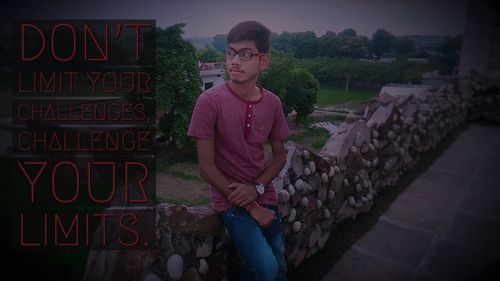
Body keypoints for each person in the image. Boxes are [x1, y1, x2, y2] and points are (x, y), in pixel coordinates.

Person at [187, 20, 289, 281]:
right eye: (230, 53)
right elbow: (207, 168)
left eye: (245, 54)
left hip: (264, 193)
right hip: (228, 200)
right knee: (266, 269)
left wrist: (256, 190)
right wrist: (252, 207)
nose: (234, 61)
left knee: (278, 265)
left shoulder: (273, 103)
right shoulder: (209, 101)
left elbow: (279, 156)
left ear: (263, 61)